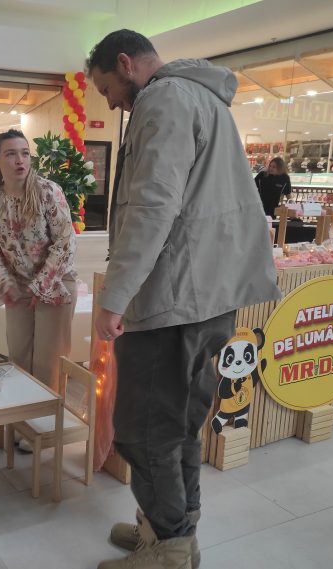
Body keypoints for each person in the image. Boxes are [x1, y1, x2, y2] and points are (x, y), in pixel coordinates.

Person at [87, 30, 281, 569]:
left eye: (106, 88)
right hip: (209, 297)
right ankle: (172, 529)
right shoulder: (202, 98)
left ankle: (169, 547)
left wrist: (115, 297)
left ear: (125, 64)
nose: (110, 102)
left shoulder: (163, 100)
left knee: (143, 431)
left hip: (172, 300)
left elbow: (152, 206)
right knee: (178, 424)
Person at [0, 129, 77, 394]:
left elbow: (65, 243)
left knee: (48, 366)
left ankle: (46, 418)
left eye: (24, 153)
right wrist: (5, 280)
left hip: (55, 284)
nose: (20, 160)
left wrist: (40, 285)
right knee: (18, 359)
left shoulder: (48, 192)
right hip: (17, 286)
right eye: (11, 154)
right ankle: (22, 414)